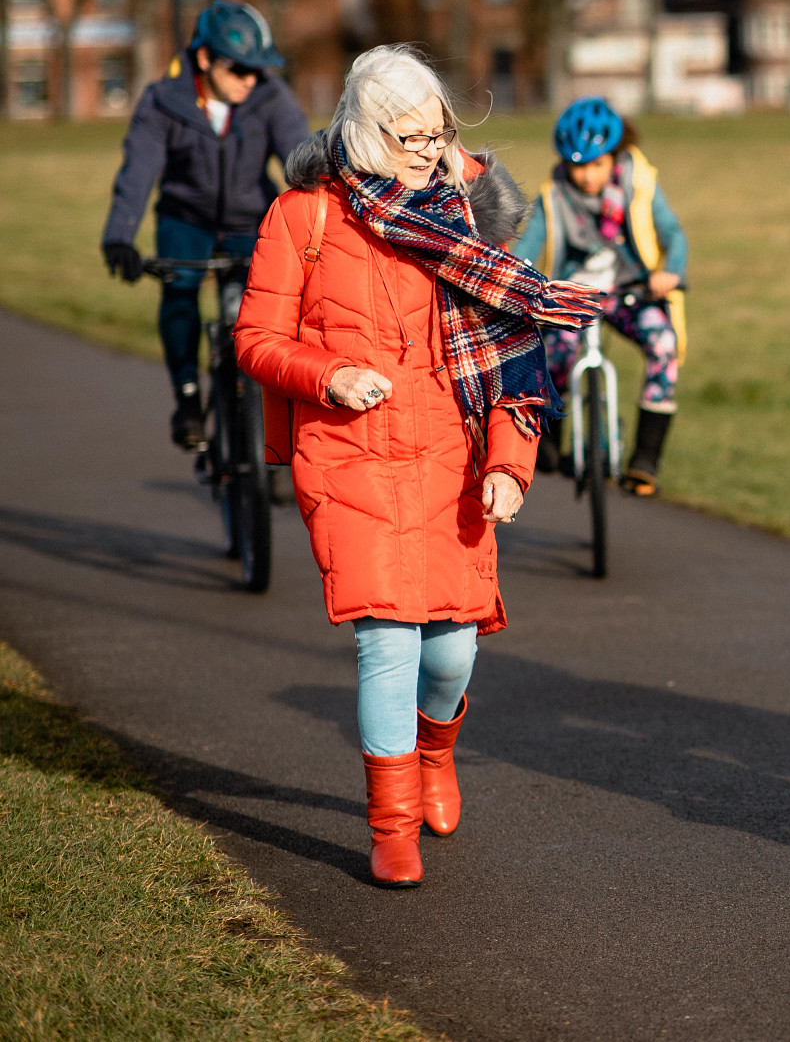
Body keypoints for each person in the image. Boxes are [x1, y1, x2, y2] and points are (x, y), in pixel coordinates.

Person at [235, 46, 603, 888]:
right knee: (387, 641)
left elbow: (517, 362)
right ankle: (390, 824)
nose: (430, 150)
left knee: (452, 654)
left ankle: (436, 749)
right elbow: (256, 338)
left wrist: (511, 463)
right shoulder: (305, 216)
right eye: (409, 136)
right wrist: (327, 374)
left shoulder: (468, 216)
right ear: (363, 135)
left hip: (451, 456)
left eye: (438, 132)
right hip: (348, 453)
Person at [101, 0, 312, 448]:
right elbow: (137, 173)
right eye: (239, 69)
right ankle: (188, 398)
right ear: (204, 58)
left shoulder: (269, 96)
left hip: (253, 220)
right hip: (186, 217)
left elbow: (302, 160)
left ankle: (271, 415)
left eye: (257, 70)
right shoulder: (163, 101)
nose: (250, 80)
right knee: (180, 296)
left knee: (271, 313)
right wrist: (119, 237)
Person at [512, 97, 688, 496]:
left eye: (596, 164)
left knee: (664, 345)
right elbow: (529, 246)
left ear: (614, 156)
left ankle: (645, 459)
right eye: (577, 166)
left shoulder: (638, 186)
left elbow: (673, 234)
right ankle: (551, 438)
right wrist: (517, 278)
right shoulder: (554, 197)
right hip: (573, 294)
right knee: (553, 355)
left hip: (631, 291)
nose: (587, 176)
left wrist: (670, 271)